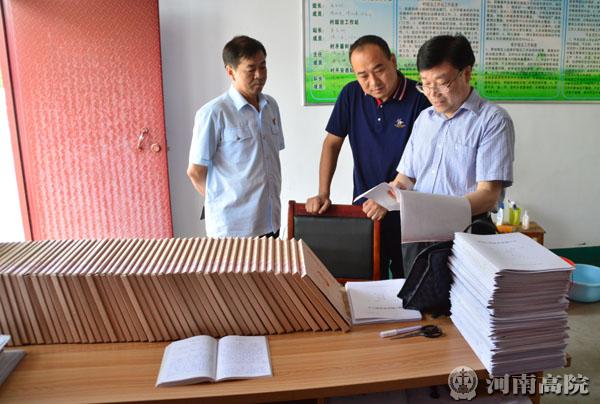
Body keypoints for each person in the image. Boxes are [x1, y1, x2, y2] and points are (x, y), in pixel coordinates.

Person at [305, 35, 430, 279]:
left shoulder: (420, 98)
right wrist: (323, 192)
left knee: (411, 284)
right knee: (368, 285)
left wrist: (390, 199)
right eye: (363, 75)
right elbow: (332, 143)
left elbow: (424, 161)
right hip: (366, 214)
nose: (373, 82)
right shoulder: (351, 94)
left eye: (379, 70)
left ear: (392, 61)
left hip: (410, 216)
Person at [391, 34, 515, 272]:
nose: (432, 93)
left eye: (442, 83)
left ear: (466, 73)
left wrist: (435, 211)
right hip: (419, 233)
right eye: (425, 84)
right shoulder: (424, 119)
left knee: (466, 295)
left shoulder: (492, 121)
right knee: (418, 294)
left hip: (467, 233)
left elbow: (488, 195)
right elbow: (406, 177)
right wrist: (391, 191)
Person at [187, 35, 284, 238]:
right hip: (232, 229)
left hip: (270, 220)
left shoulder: (271, 106)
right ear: (230, 71)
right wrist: (219, 200)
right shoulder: (214, 113)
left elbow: (270, 159)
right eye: (251, 69)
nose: (259, 75)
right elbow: (195, 171)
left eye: (263, 66)